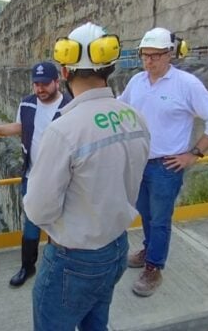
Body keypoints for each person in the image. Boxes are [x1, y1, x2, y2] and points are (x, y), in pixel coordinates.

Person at [23, 22, 151, 330]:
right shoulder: (134, 118)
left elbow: (39, 209)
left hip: (74, 260)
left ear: (64, 73)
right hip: (117, 247)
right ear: (110, 68)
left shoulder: (64, 129)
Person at [117, 27, 208, 297]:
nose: (149, 61)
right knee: (145, 212)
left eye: (156, 55)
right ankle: (148, 249)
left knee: (160, 220)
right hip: (139, 162)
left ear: (170, 54)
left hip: (166, 166)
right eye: (145, 55)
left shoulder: (186, 84)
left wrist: (193, 153)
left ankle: (154, 268)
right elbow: (120, 108)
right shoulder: (137, 82)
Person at [0, 61, 72, 287]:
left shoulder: (71, 106)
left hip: (63, 180)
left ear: (58, 81)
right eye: (36, 84)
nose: (39, 89)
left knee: (61, 226)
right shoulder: (27, 104)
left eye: (45, 84)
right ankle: (27, 267)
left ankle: (58, 269)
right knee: (31, 224)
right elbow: (21, 127)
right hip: (32, 177)